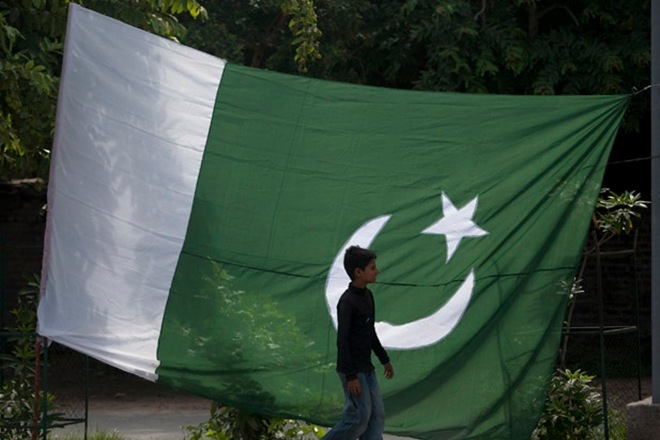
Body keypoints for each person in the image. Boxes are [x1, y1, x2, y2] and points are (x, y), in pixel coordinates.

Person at [322, 245, 395, 440]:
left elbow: (370, 331)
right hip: (352, 370)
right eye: (372, 268)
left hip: (367, 367)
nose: (377, 271)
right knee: (358, 418)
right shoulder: (347, 302)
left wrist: (384, 359)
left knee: (376, 417)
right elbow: (342, 340)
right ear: (358, 272)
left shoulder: (368, 296)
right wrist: (351, 376)